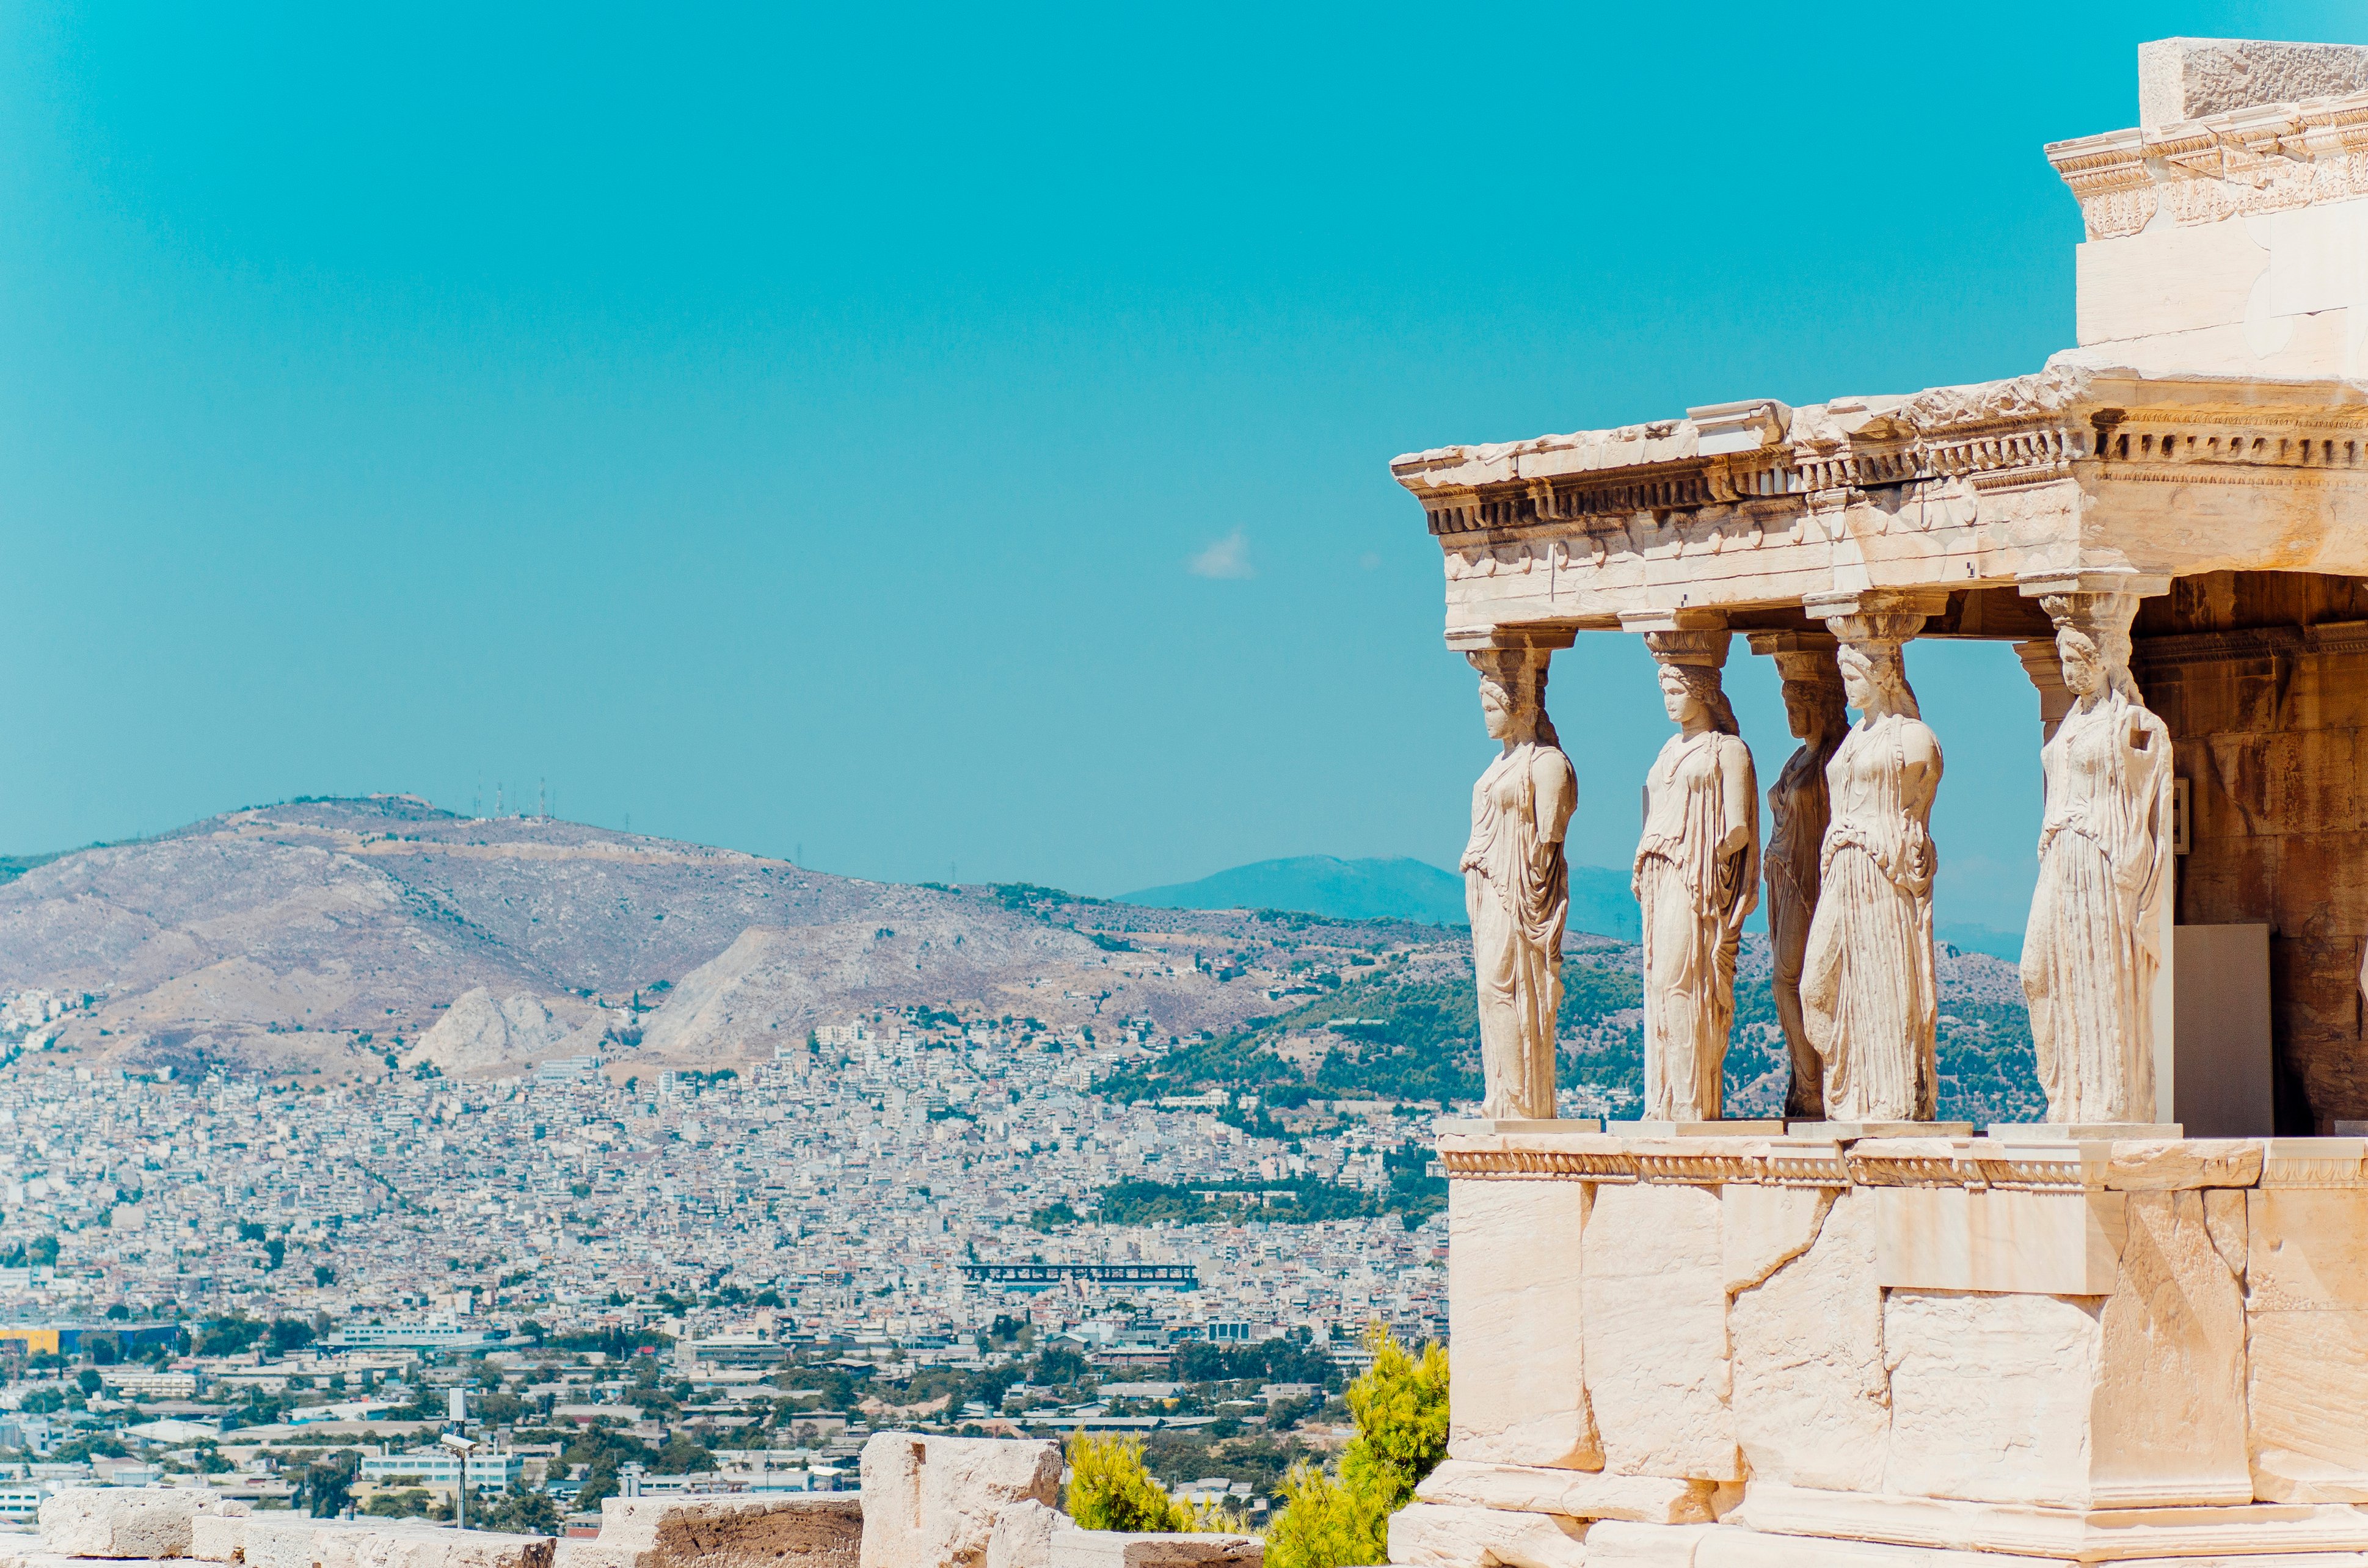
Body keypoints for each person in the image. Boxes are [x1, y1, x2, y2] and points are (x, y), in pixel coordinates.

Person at [2022, 600, 2173, 1123]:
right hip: (2060, 855)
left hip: (2102, 859)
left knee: (2100, 976)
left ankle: (2108, 1101)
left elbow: (2150, 799)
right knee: (2036, 973)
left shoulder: (2132, 725)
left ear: (2104, 661)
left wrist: (2132, 861)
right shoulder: (2069, 724)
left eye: (2078, 661)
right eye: (2063, 662)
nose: (2068, 673)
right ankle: (2066, 1092)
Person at [1802, 633, 1942, 1122]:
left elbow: (1917, 815)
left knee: (1887, 982)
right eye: (1844, 678)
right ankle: (1849, 1091)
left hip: (1882, 870)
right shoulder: (1851, 740)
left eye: (1853, 677)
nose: (1846, 688)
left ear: (1881, 677)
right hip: (1842, 869)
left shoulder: (1913, 740)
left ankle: (1891, 1097)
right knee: (1815, 988)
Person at [1633, 661, 1758, 1122]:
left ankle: (1691, 1100)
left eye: (1675, 690)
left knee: (1682, 979)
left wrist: (1707, 857)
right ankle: (1666, 1098)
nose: (1667, 700)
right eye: (1663, 690)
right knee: (1660, 983)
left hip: (1697, 877)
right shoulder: (1666, 751)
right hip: (1659, 874)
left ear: (1702, 692)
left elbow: (1738, 827)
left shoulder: (1729, 751)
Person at [1461, 664, 1575, 1120]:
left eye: (1493, 707)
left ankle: (1522, 1101)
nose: (1486, 716)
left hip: (1519, 890)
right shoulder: (1498, 764)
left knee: (1505, 987)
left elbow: (1549, 834)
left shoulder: (1547, 764)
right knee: (1490, 991)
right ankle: (1503, 1095)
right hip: (1488, 886)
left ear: (1519, 706)